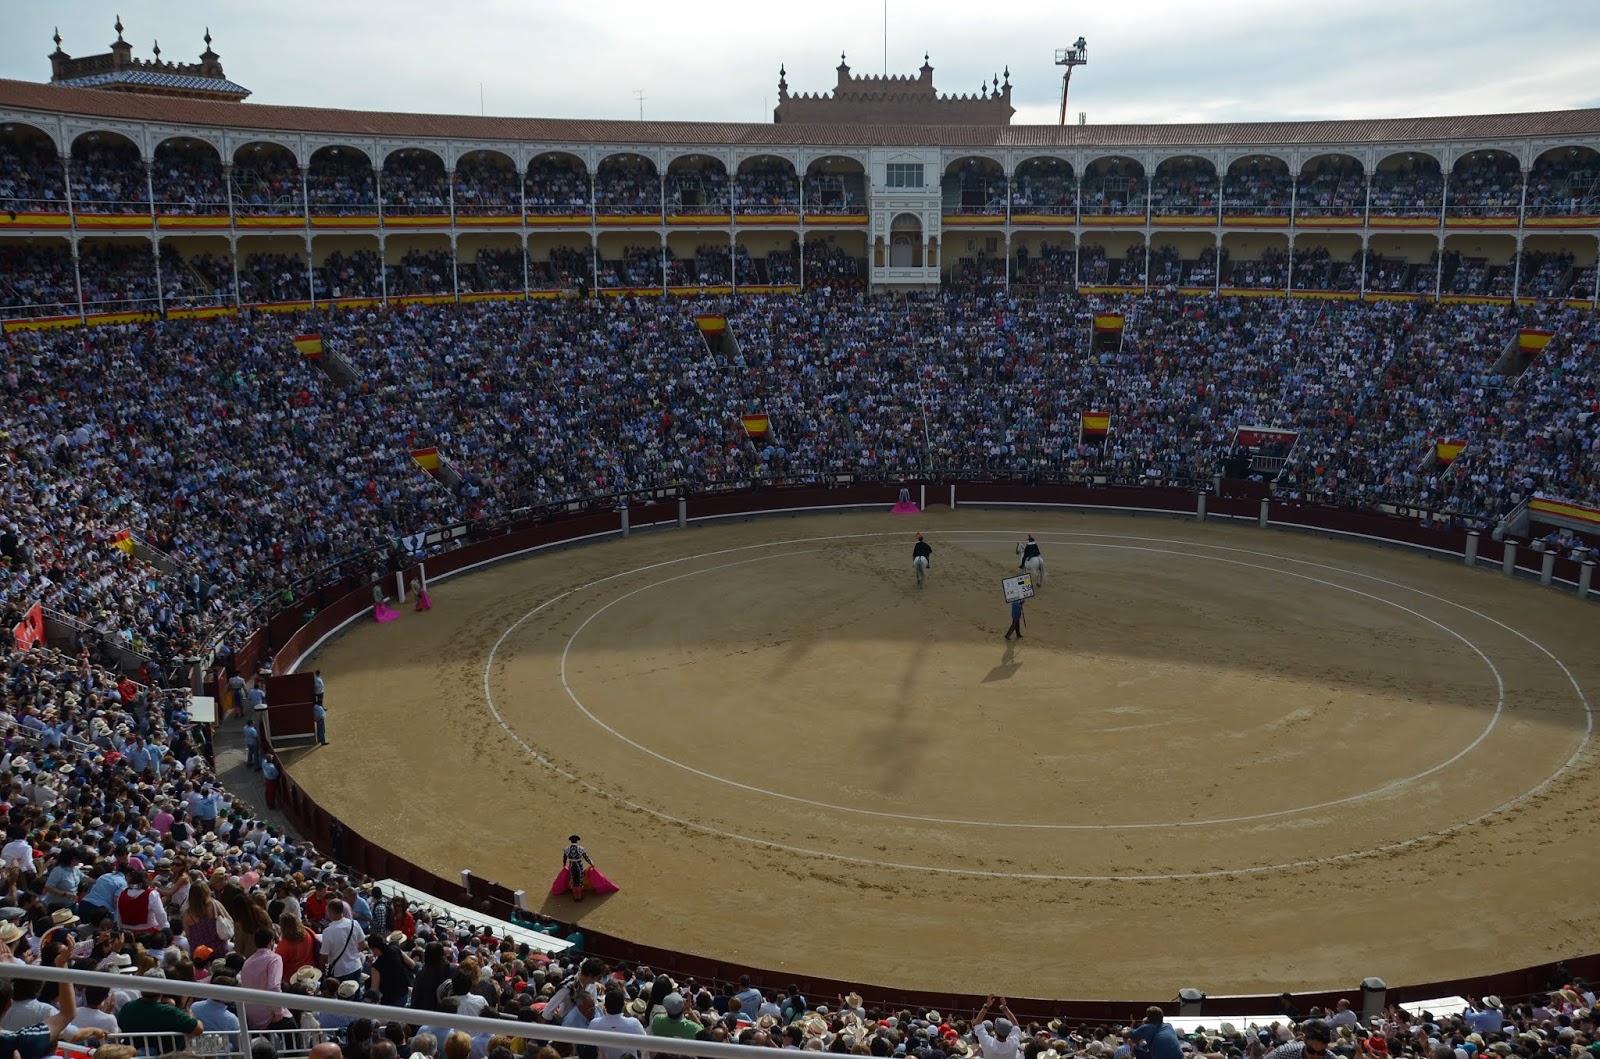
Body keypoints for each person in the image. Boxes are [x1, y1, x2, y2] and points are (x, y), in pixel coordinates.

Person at [550, 836, 618, 902]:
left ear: (571, 841)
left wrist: (564, 864)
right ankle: (579, 897)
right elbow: (586, 857)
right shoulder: (580, 848)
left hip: (571, 867)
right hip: (579, 867)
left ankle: (575, 897)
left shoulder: (567, 848)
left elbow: (564, 858)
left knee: (574, 883)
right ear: (577, 841)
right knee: (579, 883)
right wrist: (591, 864)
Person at [1263, 1019, 1332, 1059]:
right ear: (1305, 1040)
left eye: (1321, 1053)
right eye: (1311, 1051)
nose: (1315, 1057)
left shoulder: (1330, 1057)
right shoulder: (1284, 1053)